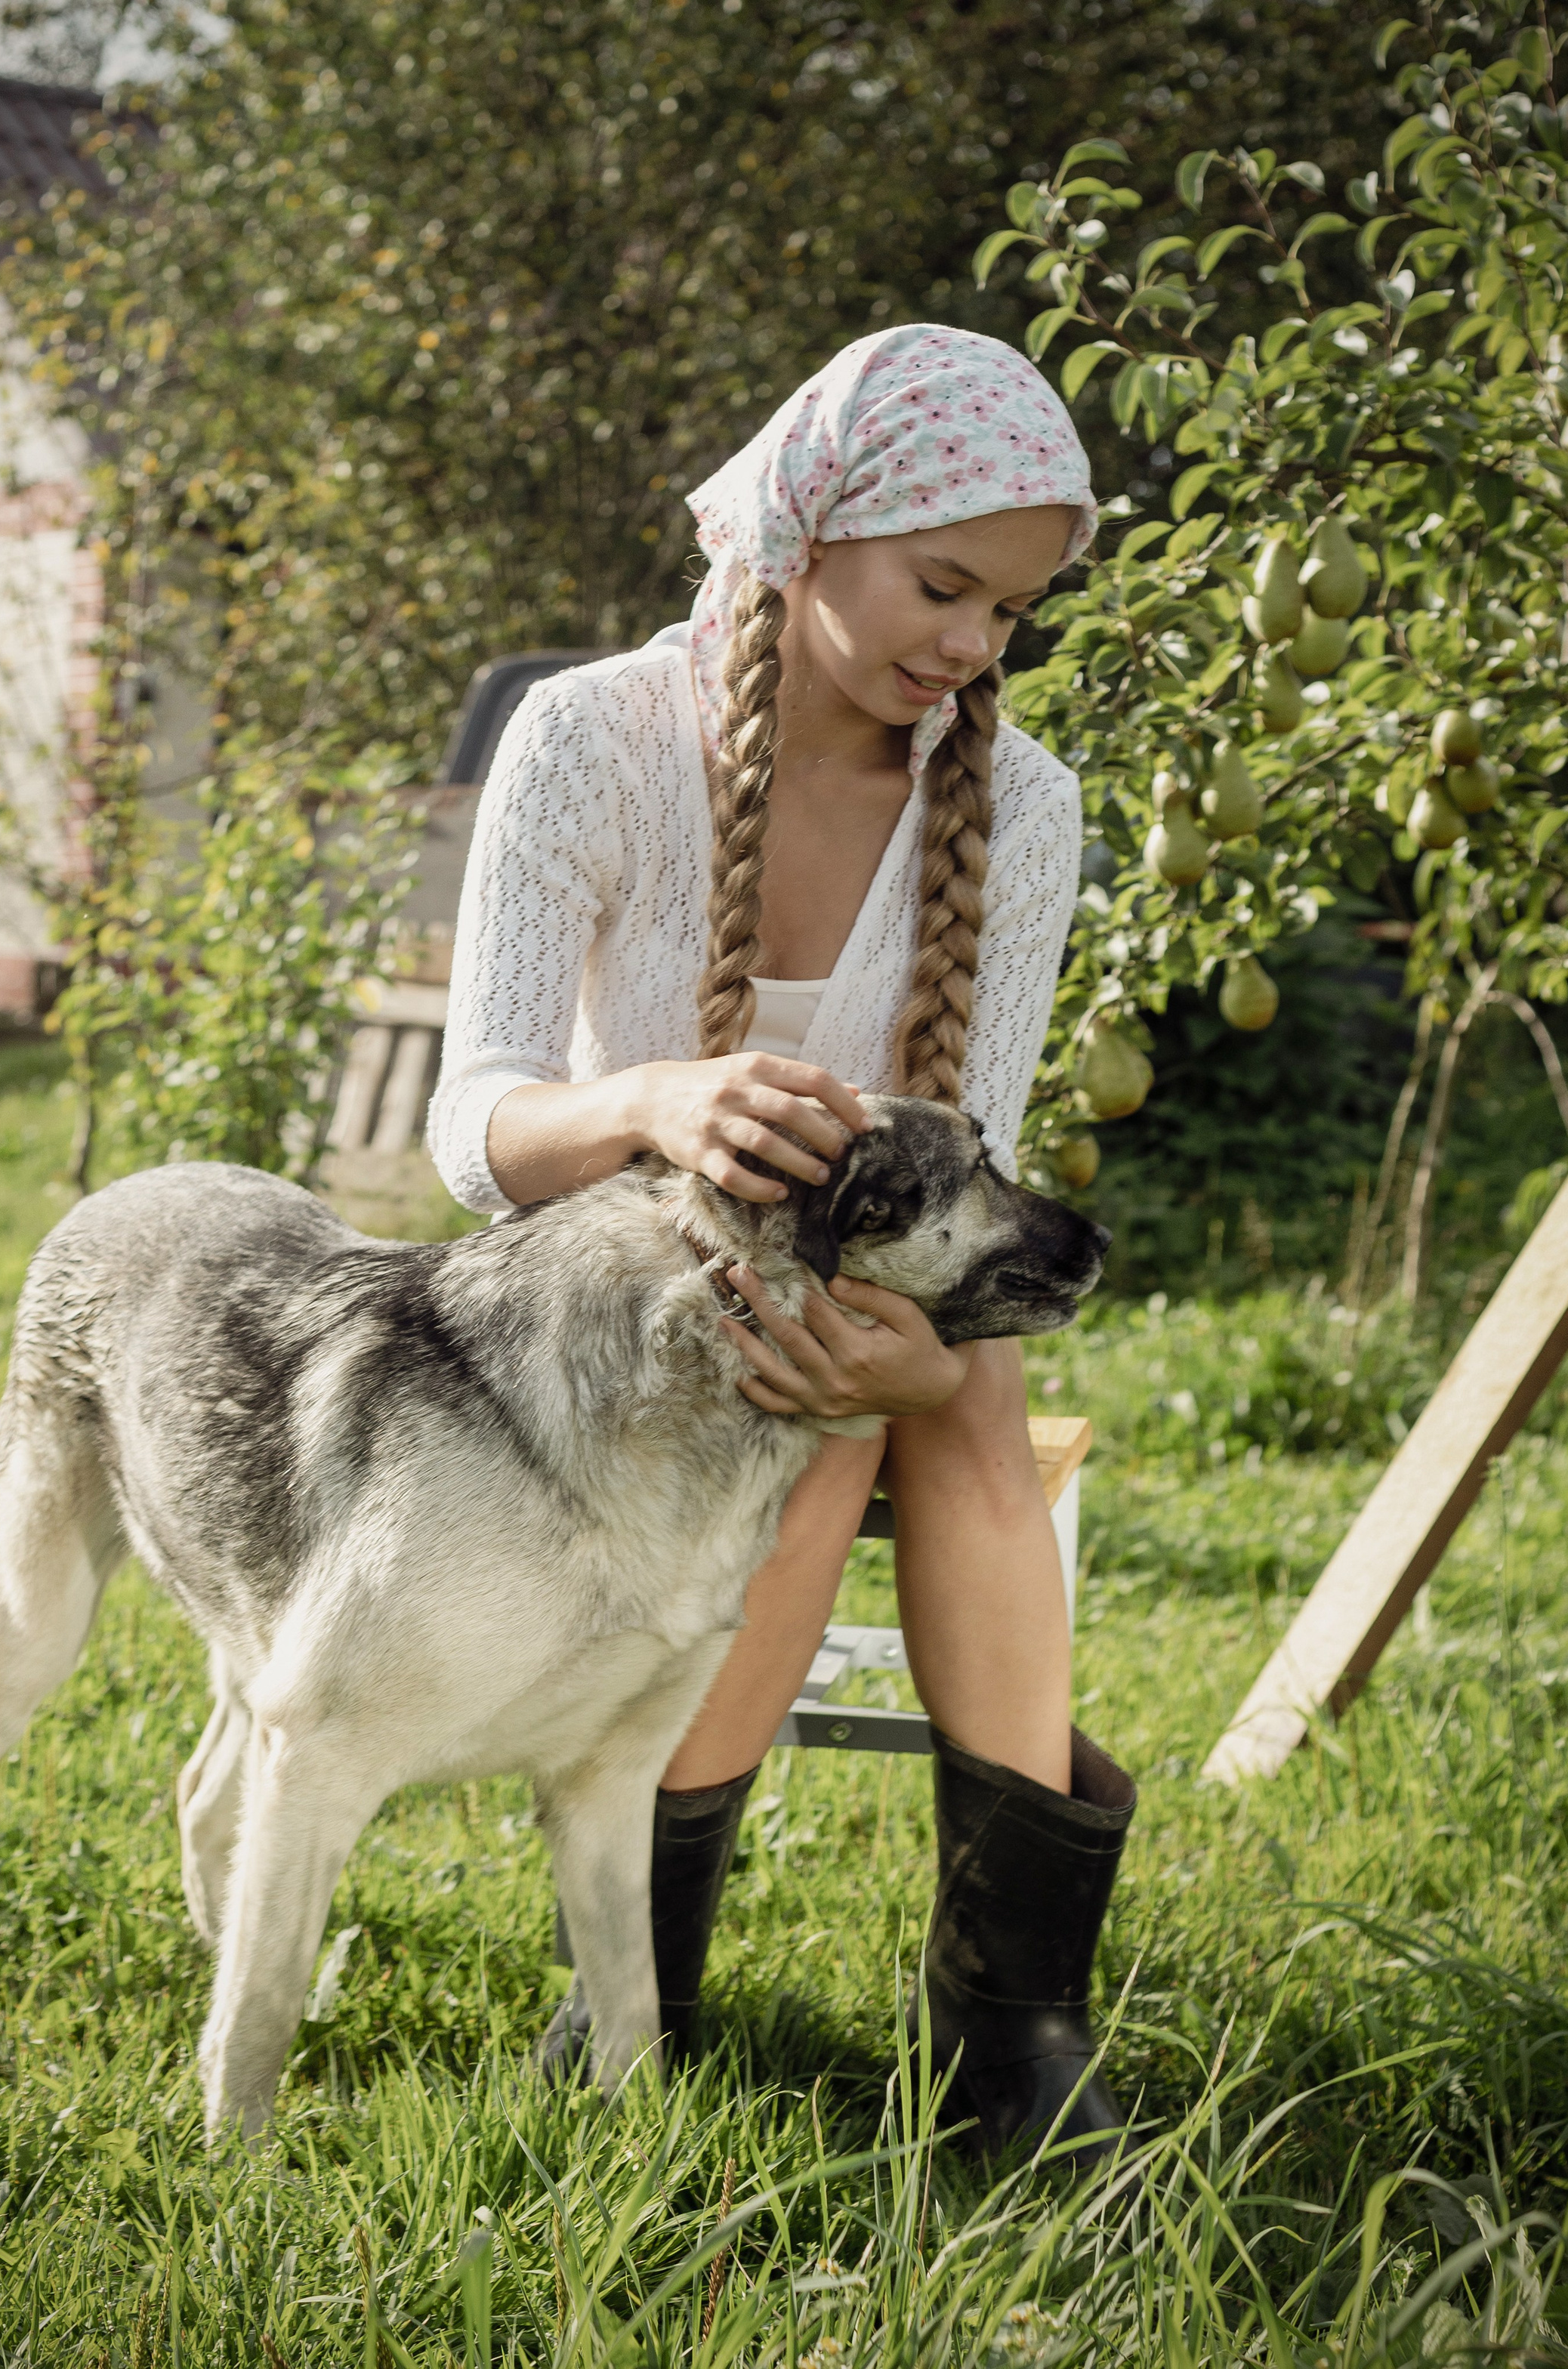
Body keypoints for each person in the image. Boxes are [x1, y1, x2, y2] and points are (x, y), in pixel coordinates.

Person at [425, 324, 1137, 2158]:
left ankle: (1013, 2037)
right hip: (607, 1293)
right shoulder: (594, 735)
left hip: (864, 1294)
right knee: (794, 1415)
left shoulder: (1020, 804)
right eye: (941, 585)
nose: (971, 646)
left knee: (943, 1404)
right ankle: (631, 1990)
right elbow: (474, 1117)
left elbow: (961, 1165)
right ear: (807, 529)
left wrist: (916, 1348)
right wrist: (653, 1099)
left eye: (1008, 612)